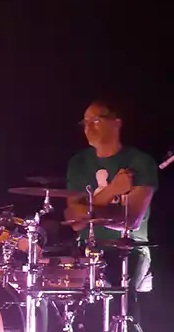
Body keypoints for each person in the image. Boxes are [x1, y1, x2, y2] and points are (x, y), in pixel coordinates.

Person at [64, 99, 158, 317]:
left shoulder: (140, 162)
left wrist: (89, 211)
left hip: (127, 249)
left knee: (116, 294)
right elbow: (75, 222)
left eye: (96, 120)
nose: (88, 128)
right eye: (85, 122)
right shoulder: (78, 163)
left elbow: (130, 221)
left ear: (116, 123)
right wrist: (113, 190)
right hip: (87, 248)